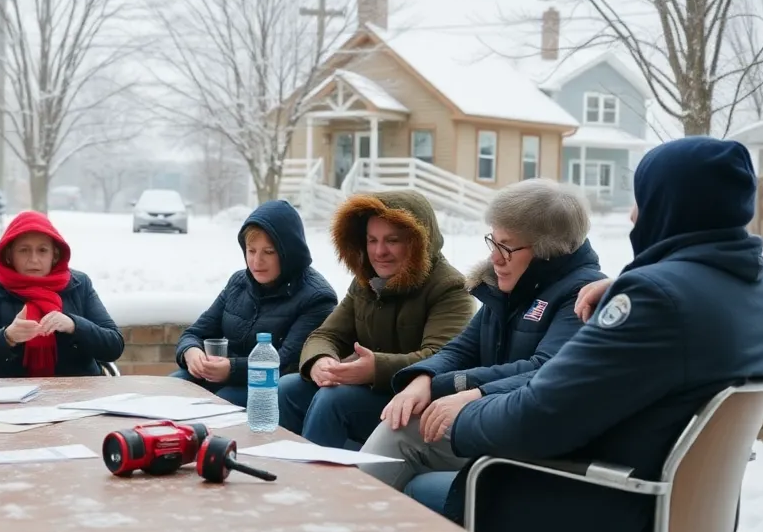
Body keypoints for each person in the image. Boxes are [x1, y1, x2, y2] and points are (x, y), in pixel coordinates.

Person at [427, 137, 763, 532]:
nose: (632, 217)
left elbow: (538, 420)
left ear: (670, 206)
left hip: (597, 524)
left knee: (409, 492)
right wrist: (634, 282)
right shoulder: (761, 298)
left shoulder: (654, 302)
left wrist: (458, 417)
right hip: (690, 525)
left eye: (643, 201)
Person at [360, 179, 605, 492]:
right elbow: (462, 349)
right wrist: (423, 378)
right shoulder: (511, 288)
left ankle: (352, 521)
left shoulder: (580, 297)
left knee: (403, 432)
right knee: (393, 420)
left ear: (548, 251)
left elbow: (544, 368)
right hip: (497, 423)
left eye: (506, 247)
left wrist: (465, 391)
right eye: (493, 242)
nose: (495, 258)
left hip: (530, 445)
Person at [277, 191, 474, 448]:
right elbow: (325, 335)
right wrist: (320, 361)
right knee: (288, 388)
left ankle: (317, 484)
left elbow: (442, 358)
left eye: (392, 240)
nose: (379, 251)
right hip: (372, 389)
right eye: (372, 240)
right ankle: (284, 468)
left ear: (418, 242)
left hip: (414, 403)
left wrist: (374, 370)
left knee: (334, 401)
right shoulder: (366, 281)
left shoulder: (450, 288)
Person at [172, 200, 337, 405]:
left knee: (221, 402)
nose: (257, 262)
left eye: (268, 252)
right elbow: (194, 333)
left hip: (270, 390)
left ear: (289, 253)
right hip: (221, 377)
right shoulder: (239, 282)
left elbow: (286, 363)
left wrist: (231, 369)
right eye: (251, 251)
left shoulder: (317, 298)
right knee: (174, 388)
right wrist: (191, 352)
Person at [0, 210, 124, 376]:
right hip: (13, 398)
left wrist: (74, 325)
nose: (34, 259)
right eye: (24, 250)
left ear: (54, 255)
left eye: (42, 250)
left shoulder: (79, 286)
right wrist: (7, 337)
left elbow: (114, 346)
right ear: (9, 256)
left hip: (79, 395)